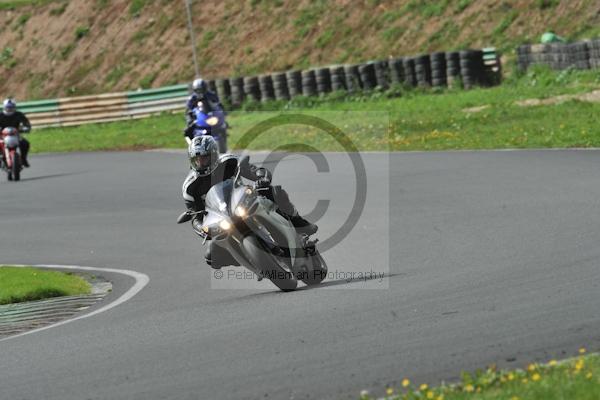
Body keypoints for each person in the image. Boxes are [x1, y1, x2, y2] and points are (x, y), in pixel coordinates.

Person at [182, 136, 317, 268]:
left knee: (273, 191)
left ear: (214, 154)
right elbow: (195, 216)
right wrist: (202, 229)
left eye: (205, 158)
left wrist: (261, 177)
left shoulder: (229, 161)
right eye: (196, 159)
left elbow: (254, 170)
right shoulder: (190, 187)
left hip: (243, 199)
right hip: (221, 218)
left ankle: (299, 223)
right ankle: (249, 258)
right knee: (212, 256)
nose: (201, 163)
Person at [0, 99, 31, 167]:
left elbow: (26, 123)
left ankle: (23, 159)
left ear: (14, 107)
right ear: (4, 107)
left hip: (15, 134)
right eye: (8, 107)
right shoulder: (0, 115)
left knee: (25, 143)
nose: (9, 109)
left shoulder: (19, 114)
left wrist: (26, 128)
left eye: (11, 107)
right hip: (2, 136)